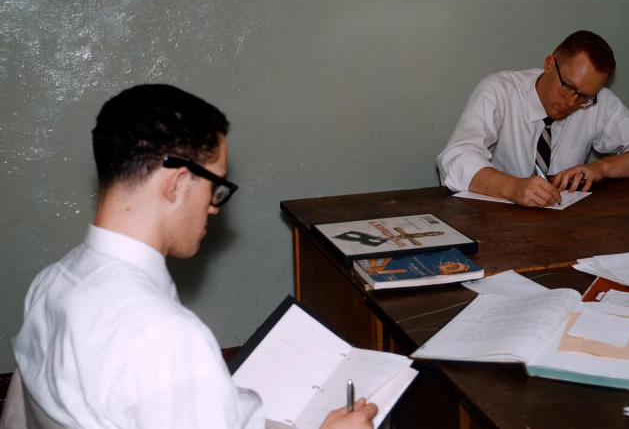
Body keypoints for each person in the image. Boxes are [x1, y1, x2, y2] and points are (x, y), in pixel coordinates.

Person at [11, 84, 378, 429]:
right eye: (214, 186)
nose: (214, 207)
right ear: (176, 183)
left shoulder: (50, 283)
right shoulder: (166, 338)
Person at [437, 30, 629, 207]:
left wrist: (601, 168)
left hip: (564, 228)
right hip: (495, 222)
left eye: (585, 96)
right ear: (550, 65)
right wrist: (512, 187)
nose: (572, 102)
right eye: (569, 88)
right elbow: (454, 159)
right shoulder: (499, 91)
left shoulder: (598, 102)